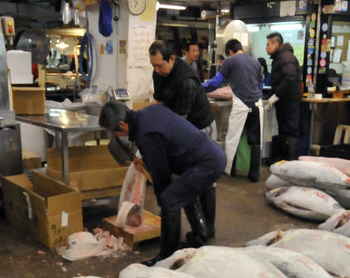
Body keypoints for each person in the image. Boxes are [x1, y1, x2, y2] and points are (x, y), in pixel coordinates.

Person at [99, 100, 225, 265]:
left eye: (114, 132)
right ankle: (199, 236)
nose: (117, 136)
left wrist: (162, 199)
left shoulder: (146, 134)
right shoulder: (148, 112)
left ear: (122, 124)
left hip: (206, 164)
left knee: (169, 199)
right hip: (210, 155)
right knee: (181, 191)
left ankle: (166, 257)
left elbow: (161, 175)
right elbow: (165, 142)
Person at [149, 39, 217, 245]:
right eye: (153, 66)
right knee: (182, 173)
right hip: (179, 122)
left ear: (172, 59)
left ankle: (208, 226)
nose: (157, 70)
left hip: (200, 127)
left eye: (160, 65)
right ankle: (180, 217)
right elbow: (160, 104)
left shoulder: (186, 80)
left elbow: (181, 121)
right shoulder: (158, 73)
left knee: (203, 177)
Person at [202, 39, 263, 181]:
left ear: (229, 51)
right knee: (255, 141)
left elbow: (215, 83)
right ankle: (254, 174)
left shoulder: (230, 61)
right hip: (257, 104)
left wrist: (199, 86)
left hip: (241, 104)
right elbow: (260, 85)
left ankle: (230, 170)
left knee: (233, 138)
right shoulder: (255, 62)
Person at [265, 31, 302, 160]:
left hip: (289, 103)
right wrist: (271, 95)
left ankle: (290, 164)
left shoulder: (285, 57)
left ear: (276, 44)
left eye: (268, 44)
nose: (266, 48)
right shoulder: (280, 57)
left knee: (290, 133)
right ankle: (284, 163)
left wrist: (276, 95)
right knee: (284, 132)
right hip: (284, 102)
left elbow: (290, 78)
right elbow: (279, 81)